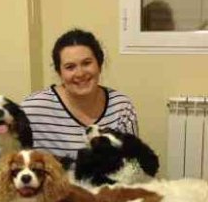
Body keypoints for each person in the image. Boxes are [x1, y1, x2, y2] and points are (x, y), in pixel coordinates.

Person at [21, 28, 138, 163]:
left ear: (99, 65)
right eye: (70, 67)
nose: (80, 73)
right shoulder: (31, 109)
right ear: (59, 73)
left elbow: (134, 164)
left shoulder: (121, 106)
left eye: (86, 63)